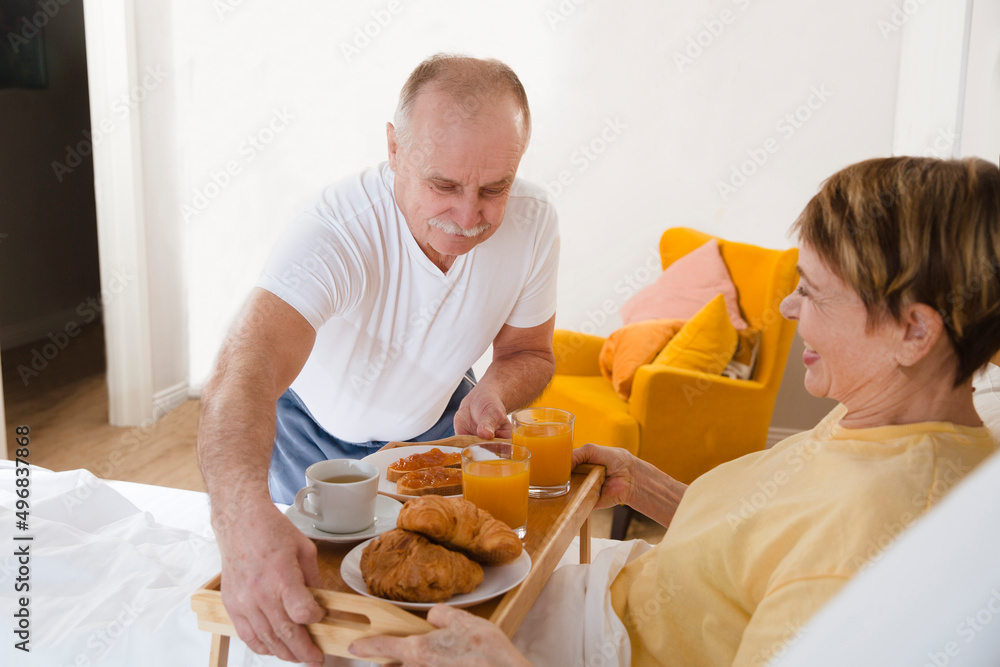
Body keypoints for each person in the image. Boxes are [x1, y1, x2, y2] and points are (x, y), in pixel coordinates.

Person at [349, 156, 1000, 667]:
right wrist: (652, 486)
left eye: (814, 292)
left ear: (914, 331)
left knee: (328, 632)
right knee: (346, 580)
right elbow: (767, 541)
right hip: (628, 591)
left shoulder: (878, 534)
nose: (787, 310)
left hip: (612, 646)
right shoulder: (891, 413)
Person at [196, 54, 559, 666]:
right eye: (442, 185)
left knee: (439, 605)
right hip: (307, 434)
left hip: (439, 425)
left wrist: (494, 391)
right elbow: (243, 372)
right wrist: (239, 521)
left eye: (494, 188)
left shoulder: (535, 220)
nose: (468, 218)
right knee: (319, 614)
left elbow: (528, 352)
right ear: (395, 149)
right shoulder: (338, 228)